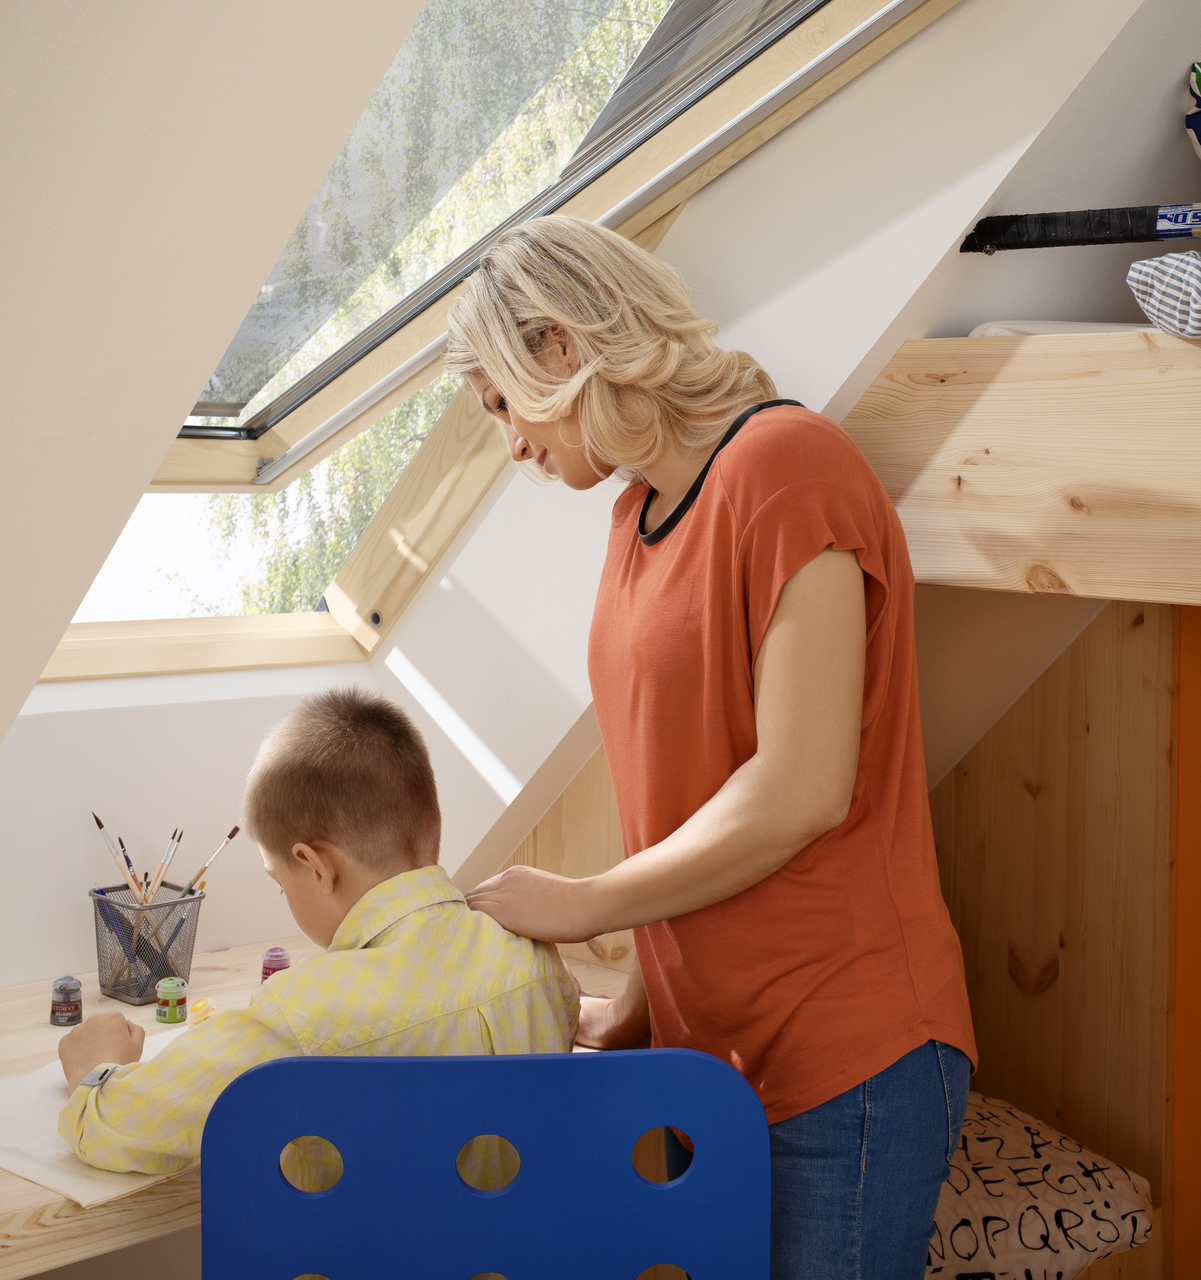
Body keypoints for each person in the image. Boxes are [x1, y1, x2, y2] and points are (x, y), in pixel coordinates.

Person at [446, 215, 978, 1279]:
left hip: (847, 1046)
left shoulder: (787, 465)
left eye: (503, 403)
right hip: (707, 1061)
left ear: (561, 346)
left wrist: (585, 902)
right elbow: (677, 796)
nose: (510, 443)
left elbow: (800, 786)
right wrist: (637, 1008)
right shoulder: (633, 518)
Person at [58, 688, 579, 1176]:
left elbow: (112, 1126)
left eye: (278, 882)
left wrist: (94, 1068)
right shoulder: (537, 961)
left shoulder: (300, 1014)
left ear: (315, 866)